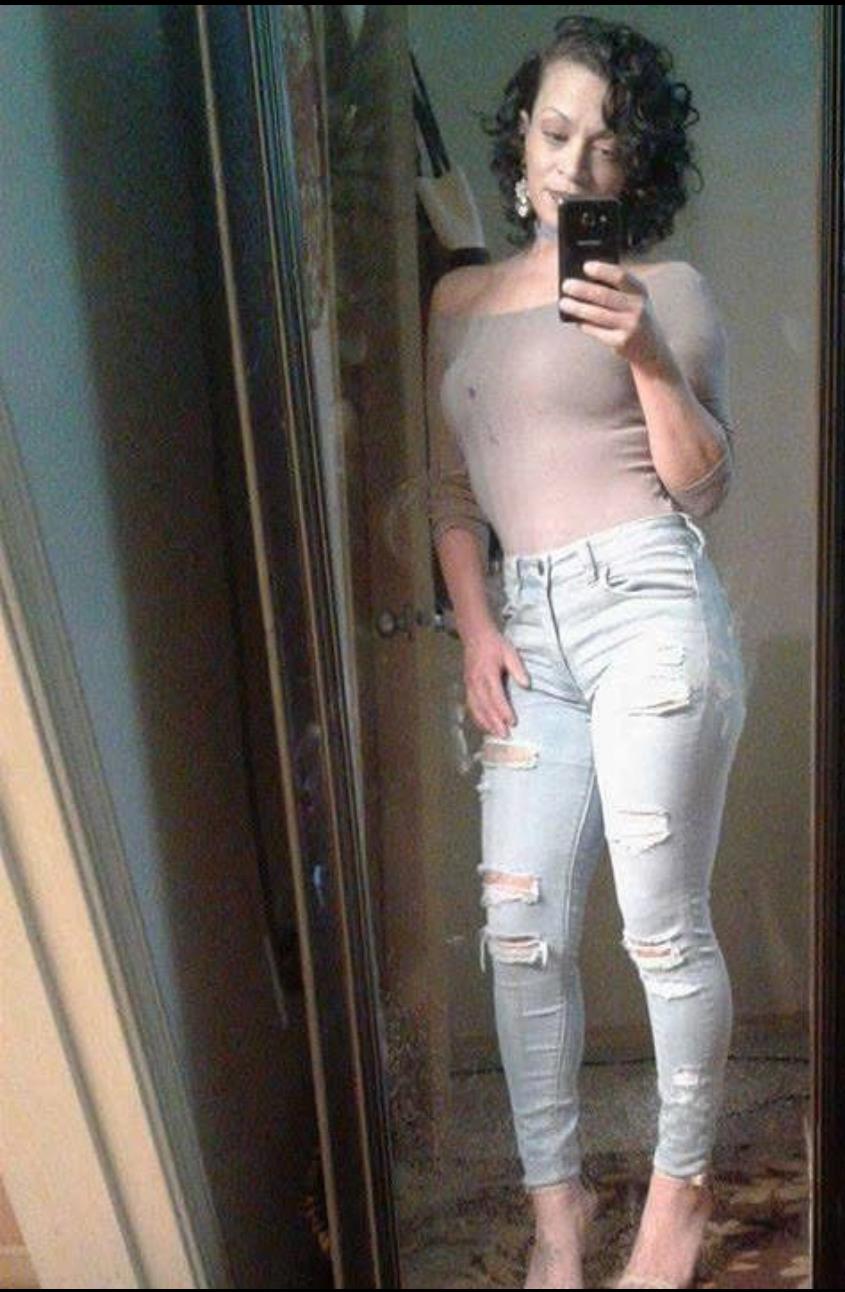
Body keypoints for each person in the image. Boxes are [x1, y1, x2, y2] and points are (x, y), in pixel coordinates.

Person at [423, 14, 747, 1291]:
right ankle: (555, 1216)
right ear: (520, 140)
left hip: (647, 607)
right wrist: (474, 630)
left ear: (632, 167)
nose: (572, 162)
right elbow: (449, 490)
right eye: (555, 131)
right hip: (524, 631)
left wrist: (643, 352)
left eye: (604, 144)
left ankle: (678, 1200)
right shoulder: (456, 301)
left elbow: (702, 485)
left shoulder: (667, 290)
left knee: (658, 928)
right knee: (519, 930)